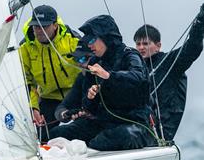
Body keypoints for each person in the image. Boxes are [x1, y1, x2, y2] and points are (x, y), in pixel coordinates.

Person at [49, 14, 155, 151]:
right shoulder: (94, 62)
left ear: (107, 37)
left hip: (135, 123)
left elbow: (138, 78)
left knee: (104, 141)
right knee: (57, 133)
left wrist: (109, 76)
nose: (89, 44)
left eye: (92, 40)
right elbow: (89, 107)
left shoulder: (130, 55)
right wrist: (90, 97)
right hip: (104, 122)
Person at [134, 0, 204, 141]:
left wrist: (200, 22)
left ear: (158, 46)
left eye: (146, 43)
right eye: (138, 44)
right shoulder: (133, 66)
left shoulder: (169, 62)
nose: (141, 47)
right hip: (136, 125)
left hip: (159, 132)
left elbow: (192, 48)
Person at [19, 5, 82, 127]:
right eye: (36, 26)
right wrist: (33, 108)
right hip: (49, 98)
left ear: (55, 25)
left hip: (76, 95)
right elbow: (27, 82)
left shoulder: (73, 40)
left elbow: (89, 68)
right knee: (43, 134)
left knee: (83, 131)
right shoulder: (26, 48)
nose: (39, 31)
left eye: (44, 26)